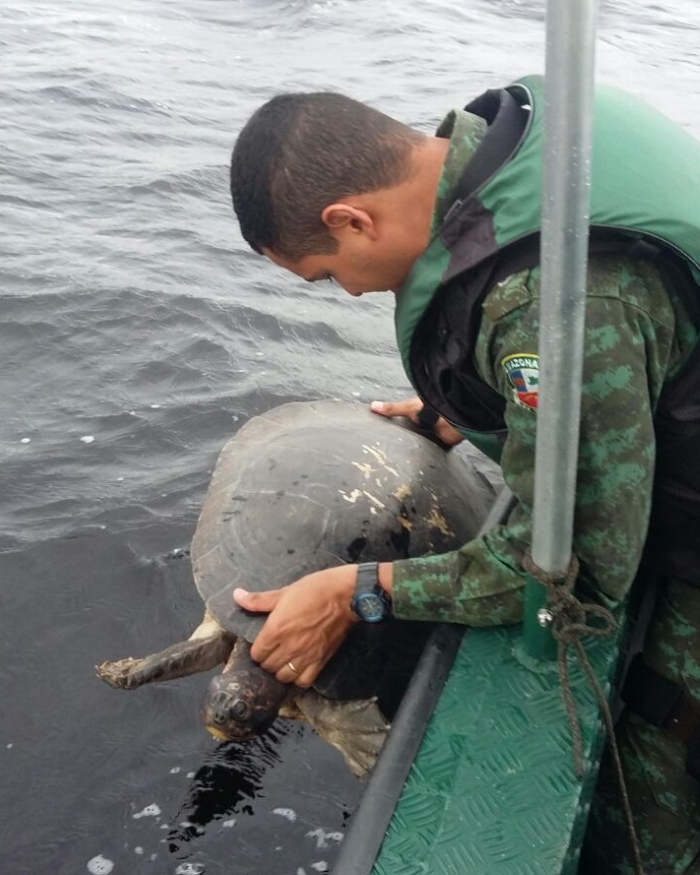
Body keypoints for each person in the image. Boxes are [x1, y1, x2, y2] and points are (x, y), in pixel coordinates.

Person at [228, 76, 700, 873]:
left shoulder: (553, 306)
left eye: (326, 272)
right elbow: (620, 361)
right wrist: (504, 415)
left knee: (642, 802)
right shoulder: (504, 141)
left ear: (350, 218)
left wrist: (358, 589)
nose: (344, 291)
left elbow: (571, 575)